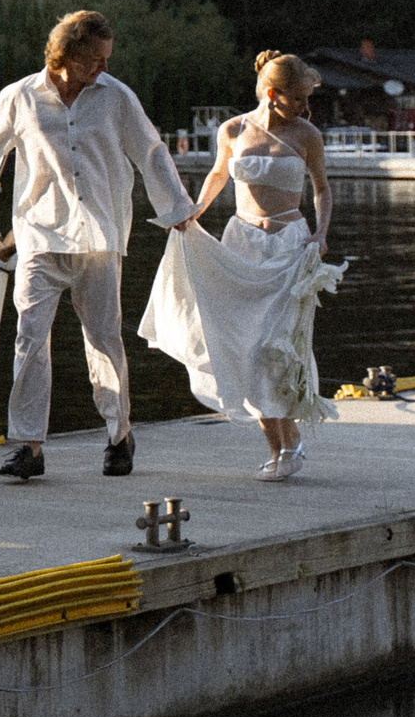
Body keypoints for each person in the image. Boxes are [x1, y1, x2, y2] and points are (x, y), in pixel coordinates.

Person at [0, 10, 198, 481]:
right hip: (40, 234)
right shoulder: (21, 96)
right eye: (95, 59)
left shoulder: (116, 97)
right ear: (66, 55)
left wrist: (177, 208)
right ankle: (29, 446)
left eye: (107, 58)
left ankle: (119, 435)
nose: (104, 68)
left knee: (104, 340)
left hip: (99, 236)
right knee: (30, 337)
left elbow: (150, 150)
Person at [137, 53, 341, 481]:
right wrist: (194, 212)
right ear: (273, 93)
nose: (306, 107)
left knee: (276, 347)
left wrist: (320, 234)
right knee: (243, 347)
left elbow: (321, 189)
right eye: (299, 98)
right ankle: (277, 448)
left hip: (289, 245)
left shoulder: (307, 135)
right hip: (242, 242)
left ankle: (292, 439)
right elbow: (217, 175)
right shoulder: (233, 129)